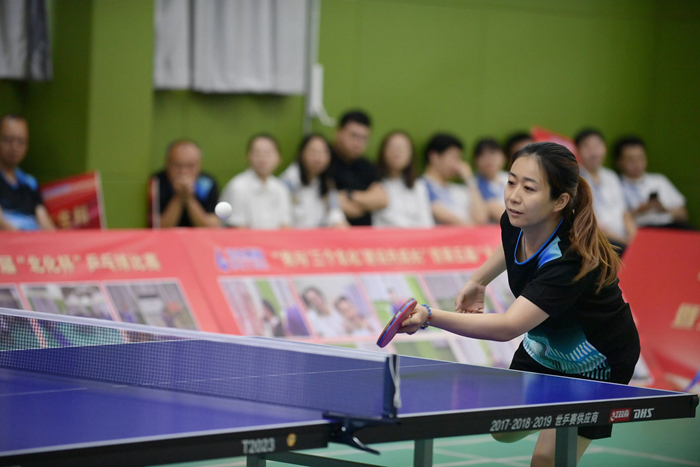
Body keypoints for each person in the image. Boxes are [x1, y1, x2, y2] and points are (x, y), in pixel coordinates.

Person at [399, 142, 640, 467]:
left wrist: (429, 315)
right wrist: (479, 280)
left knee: (545, 461)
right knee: (504, 429)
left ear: (560, 201)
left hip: (596, 362)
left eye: (529, 188)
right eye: (511, 182)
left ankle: (563, 420)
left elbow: (508, 326)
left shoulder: (568, 260)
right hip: (545, 348)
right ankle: (554, 413)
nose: (513, 196)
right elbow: (510, 242)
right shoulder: (516, 219)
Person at [575, 129, 636, 253]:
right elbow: (590, 223)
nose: (593, 152)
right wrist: (624, 242)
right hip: (598, 240)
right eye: (587, 147)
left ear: (604, 148)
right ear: (577, 151)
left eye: (597, 146)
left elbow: (625, 213)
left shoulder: (611, 176)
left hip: (622, 238)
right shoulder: (575, 180)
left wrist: (634, 237)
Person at [614, 135, 691, 229]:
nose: (637, 163)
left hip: (670, 226)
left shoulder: (659, 180)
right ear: (619, 162)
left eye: (640, 158)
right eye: (631, 159)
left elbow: (684, 214)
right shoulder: (615, 185)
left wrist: (664, 209)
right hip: (641, 229)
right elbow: (613, 221)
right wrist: (638, 211)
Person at [219, 133, 292, 229]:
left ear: (279, 158)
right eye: (257, 153)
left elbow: (285, 226)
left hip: (274, 239)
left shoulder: (280, 188)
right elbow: (238, 228)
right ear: (248, 157)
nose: (263, 158)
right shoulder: (238, 187)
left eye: (268, 153)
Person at [329, 110, 388, 226]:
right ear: (338, 133)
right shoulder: (324, 161)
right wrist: (367, 204)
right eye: (354, 136)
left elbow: (382, 200)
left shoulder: (367, 166)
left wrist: (349, 195)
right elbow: (329, 201)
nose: (358, 143)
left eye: (363, 138)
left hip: (366, 232)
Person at [279, 134, 347, 228]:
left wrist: (339, 222)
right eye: (313, 151)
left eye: (323, 152)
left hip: (318, 233)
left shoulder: (327, 181)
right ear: (301, 153)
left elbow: (334, 210)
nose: (318, 157)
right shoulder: (289, 180)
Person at [0, 115, 55, 231]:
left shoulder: (30, 183)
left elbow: (44, 222)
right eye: (7, 139)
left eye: (21, 141)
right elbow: (2, 224)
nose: (14, 147)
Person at [149, 139, 220, 228]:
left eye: (190, 166)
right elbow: (158, 227)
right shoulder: (156, 183)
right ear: (167, 164)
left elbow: (212, 226)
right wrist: (179, 196)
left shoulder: (207, 183)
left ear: (199, 165)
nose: (184, 172)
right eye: (178, 165)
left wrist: (189, 198)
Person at [421, 133, 488, 226]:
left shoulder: (458, 190)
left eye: (459, 159)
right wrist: (471, 228)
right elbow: (441, 214)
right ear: (434, 156)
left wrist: (469, 180)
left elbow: (481, 219)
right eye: (454, 158)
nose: (457, 164)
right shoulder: (421, 186)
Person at [372, 131, 434, 228]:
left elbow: (426, 222)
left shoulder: (418, 186)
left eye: (402, 148)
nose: (396, 152)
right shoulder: (374, 183)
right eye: (392, 147)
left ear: (411, 155)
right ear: (383, 152)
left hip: (416, 236)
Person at [473, 137, 509, 223]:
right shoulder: (473, 184)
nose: (488, 159)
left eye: (492, 153)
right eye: (482, 155)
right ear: (475, 161)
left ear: (503, 157)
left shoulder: (512, 178)